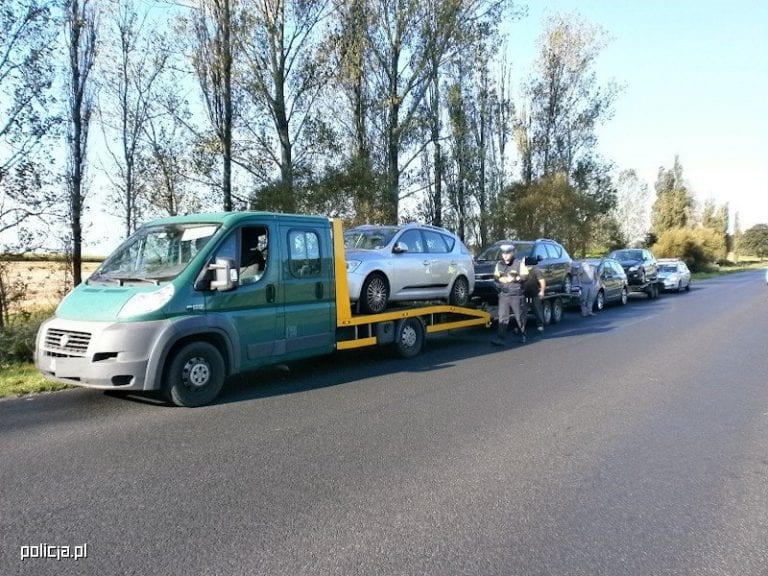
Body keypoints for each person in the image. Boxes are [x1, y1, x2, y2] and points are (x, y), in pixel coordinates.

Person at [491, 244, 528, 345]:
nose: (505, 255)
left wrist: (515, 278)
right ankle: (500, 338)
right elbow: (495, 277)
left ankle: (523, 335)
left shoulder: (519, 263)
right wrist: (500, 279)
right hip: (504, 294)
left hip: (516, 294)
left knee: (519, 317)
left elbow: (525, 276)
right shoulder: (499, 264)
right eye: (504, 253)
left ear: (512, 253)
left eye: (508, 253)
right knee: (502, 317)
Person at [524, 262, 546, 332]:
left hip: (534, 295)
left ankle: (540, 325)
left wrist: (542, 291)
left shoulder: (536, 271)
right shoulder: (522, 271)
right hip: (526, 295)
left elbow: (542, 281)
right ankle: (521, 327)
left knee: (537, 310)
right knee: (524, 310)